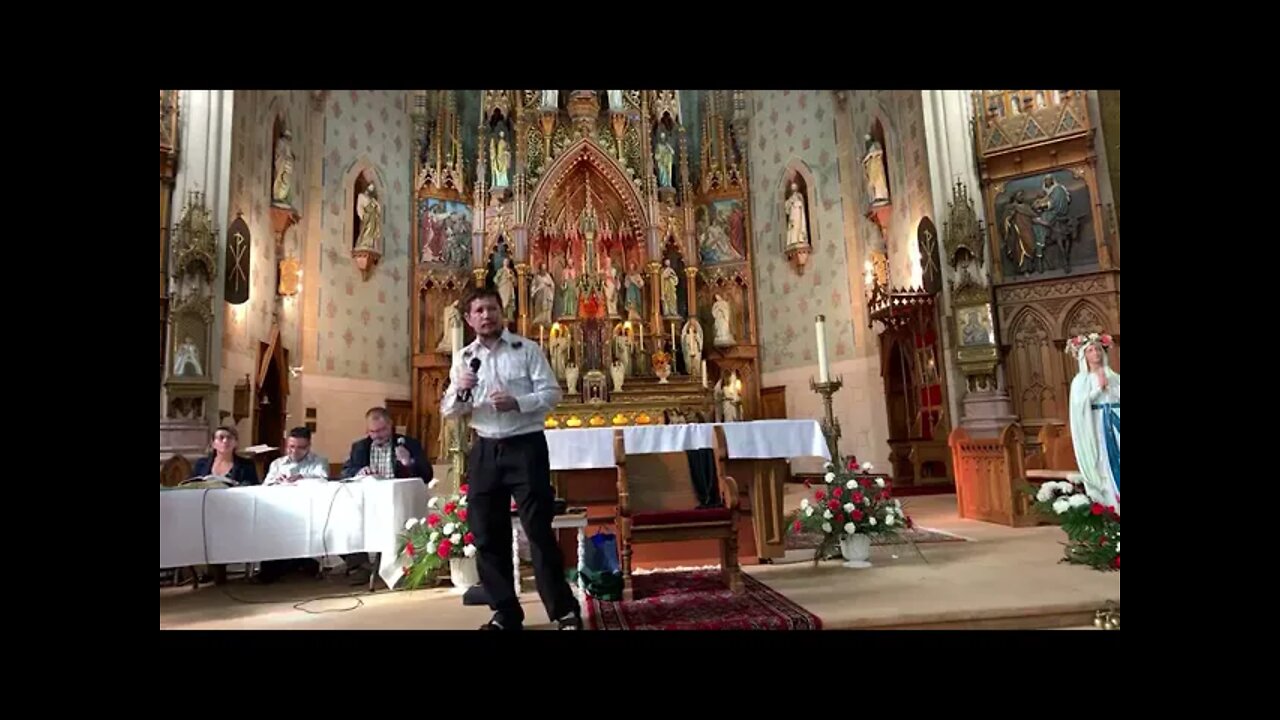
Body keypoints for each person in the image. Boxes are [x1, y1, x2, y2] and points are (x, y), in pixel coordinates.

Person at [441, 287, 582, 630]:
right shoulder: (463, 358)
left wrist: (517, 402)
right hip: (485, 448)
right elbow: (449, 410)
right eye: (479, 311)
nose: (486, 316)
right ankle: (505, 612)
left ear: (501, 312)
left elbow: (552, 394)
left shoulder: (526, 349)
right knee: (487, 533)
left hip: (525, 446)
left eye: (491, 309)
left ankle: (564, 611)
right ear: (469, 319)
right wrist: (460, 391)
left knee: (538, 531)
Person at [340, 408, 432, 579]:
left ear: (390, 426)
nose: (377, 436)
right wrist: (359, 471)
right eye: (372, 432)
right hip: (367, 502)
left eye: (381, 430)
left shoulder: (408, 444)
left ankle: (397, 566)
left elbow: (427, 475)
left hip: (399, 501)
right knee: (346, 519)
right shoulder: (360, 447)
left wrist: (408, 462)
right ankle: (360, 566)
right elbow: (345, 471)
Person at [1067, 334, 1120, 514]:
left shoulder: (1114, 377)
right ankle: (1110, 505)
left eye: (1097, 349)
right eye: (1090, 350)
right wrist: (1099, 390)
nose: (1095, 353)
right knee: (1102, 461)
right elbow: (1079, 406)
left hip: (1116, 420)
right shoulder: (1081, 381)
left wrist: (1111, 388)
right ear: (1084, 356)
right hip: (1096, 425)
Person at [189, 425, 259, 486]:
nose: (225, 441)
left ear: (236, 443)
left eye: (229, 437)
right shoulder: (201, 464)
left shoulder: (246, 465)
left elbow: (252, 488)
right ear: (213, 444)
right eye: (221, 437)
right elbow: (191, 486)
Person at [264, 427, 330, 485]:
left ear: (308, 446)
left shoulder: (320, 462)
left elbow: (322, 481)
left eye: (300, 447)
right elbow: (265, 487)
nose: (294, 451)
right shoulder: (277, 463)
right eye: (291, 446)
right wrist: (275, 480)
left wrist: (302, 477)